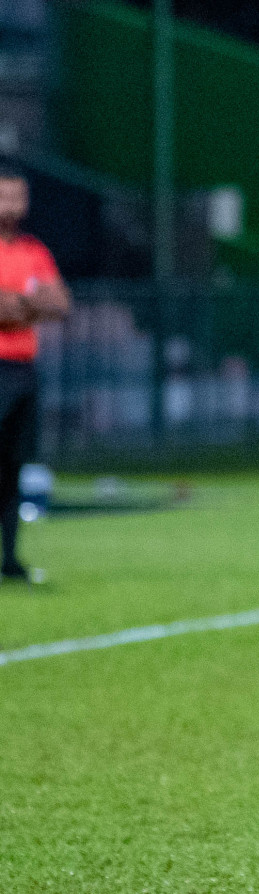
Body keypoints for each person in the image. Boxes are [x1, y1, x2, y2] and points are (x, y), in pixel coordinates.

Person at [0, 161, 70, 584]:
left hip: (23, 369)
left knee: (13, 465)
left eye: (18, 196)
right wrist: (29, 304)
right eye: (5, 195)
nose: (12, 204)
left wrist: (17, 306)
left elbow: (60, 303)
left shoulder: (33, 251)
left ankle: (10, 559)